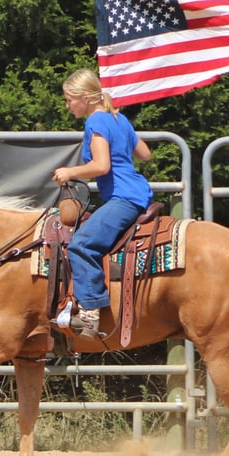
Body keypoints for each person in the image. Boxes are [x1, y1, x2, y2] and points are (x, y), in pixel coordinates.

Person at [52, 68, 153, 338]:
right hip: (137, 193)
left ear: (85, 98)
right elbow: (145, 154)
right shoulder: (118, 118)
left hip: (123, 198)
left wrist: (70, 172)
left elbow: (101, 165)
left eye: (70, 100)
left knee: (81, 244)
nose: (68, 106)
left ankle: (90, 313)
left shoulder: (95, 122)